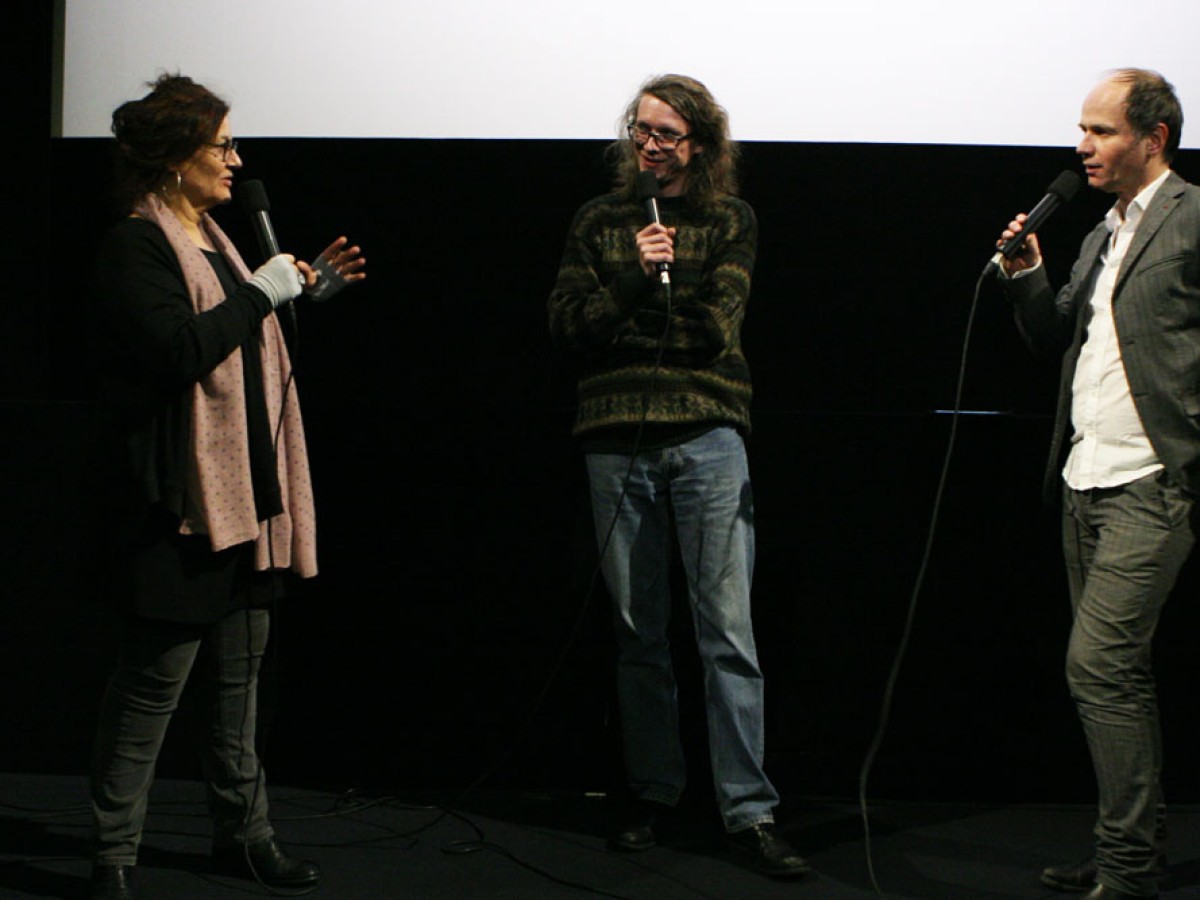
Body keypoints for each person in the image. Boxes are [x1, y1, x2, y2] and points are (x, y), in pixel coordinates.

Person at [86, 74, 365, 900]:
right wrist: (259, 296)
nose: (236, 162)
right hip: (180, 507)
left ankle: (244, 839)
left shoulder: (220, 239)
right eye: (221, 147)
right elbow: (180, 351)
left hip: (250, 500)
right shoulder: (134, 247)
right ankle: (112, 857)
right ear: (174, 159)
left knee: (240, 694)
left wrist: (296, 295)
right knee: (152, 692)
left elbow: (240, 338)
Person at [547, 73, 808, 879]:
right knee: (637, 632)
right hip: (614, 442)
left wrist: (628, 310)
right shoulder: (599, 223)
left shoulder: (730, 219)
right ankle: (654, 791)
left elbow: (712, 331)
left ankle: (749, 810)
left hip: (707, 437)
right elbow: (566, 326)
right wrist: (630, 278)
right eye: (642, 131)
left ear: (700, 144)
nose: (652, 146)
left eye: (668, 134)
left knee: (727, 632)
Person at [995, 68, 1196, 900]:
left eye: (1102, 132)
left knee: (1100, 667)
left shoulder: (1192, 220)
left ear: (1152, 139)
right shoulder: (1100, 234)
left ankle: (1126, 866)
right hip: (1085, 478)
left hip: (1156, 478)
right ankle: (1131, 851)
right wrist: (1025, 271)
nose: (1083, 147)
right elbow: (1054, 340)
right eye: (1083, 130)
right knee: (1118, 675)